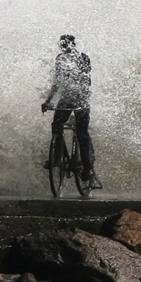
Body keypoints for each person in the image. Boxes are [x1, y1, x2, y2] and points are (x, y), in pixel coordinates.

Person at [42, 34, 101, 187]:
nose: (64, 48)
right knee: (56, 126)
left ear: (73, 45)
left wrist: (83, 101)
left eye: (67, 45)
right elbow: (57, 81)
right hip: (67, 98)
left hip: (82, 99)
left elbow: (87, 81)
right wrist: (48, 101)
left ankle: (88, 168)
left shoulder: (83, 58)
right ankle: (56, 157)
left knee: (82, 133)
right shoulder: (60, 59)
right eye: (62, 45)